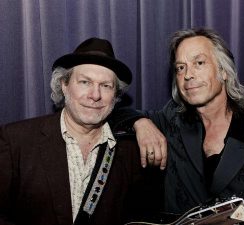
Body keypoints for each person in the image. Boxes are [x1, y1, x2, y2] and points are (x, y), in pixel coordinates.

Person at [130, 28, 244, 225]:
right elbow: (113, 111)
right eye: (180, 68)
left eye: (199, 63)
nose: (188, 75)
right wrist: (140, 123)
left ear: (224, 71)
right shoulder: (171, 120)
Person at [0, 38, 162, 225]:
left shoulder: (132, 152)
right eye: (85, 82)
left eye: (106, 86)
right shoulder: (15, 141)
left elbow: (141, 219)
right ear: (64, 85)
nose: (95, 95)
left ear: (116, 96)